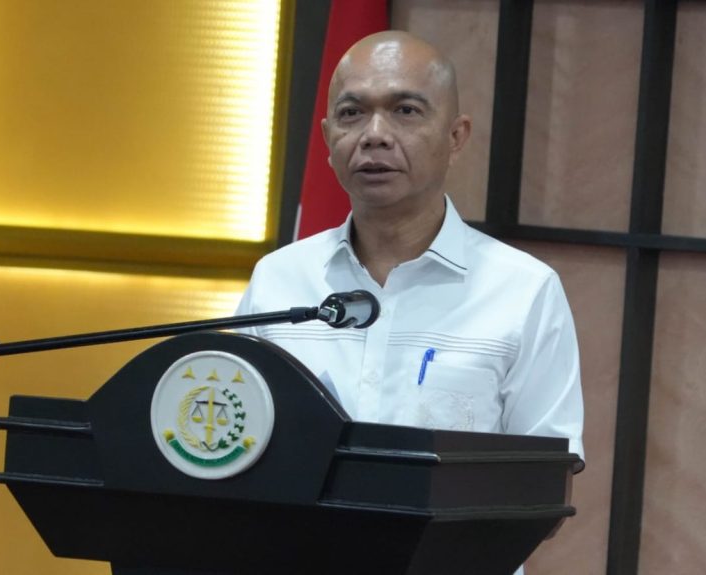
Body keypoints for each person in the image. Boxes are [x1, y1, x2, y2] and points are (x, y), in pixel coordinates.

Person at [236, 31, 583, 462]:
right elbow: (236, 447)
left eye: (405, 111)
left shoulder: (524, 291)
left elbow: (543, 486)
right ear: (328, 139)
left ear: (456, 137)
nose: (374, 135)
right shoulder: (279, 279)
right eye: (352, 113)